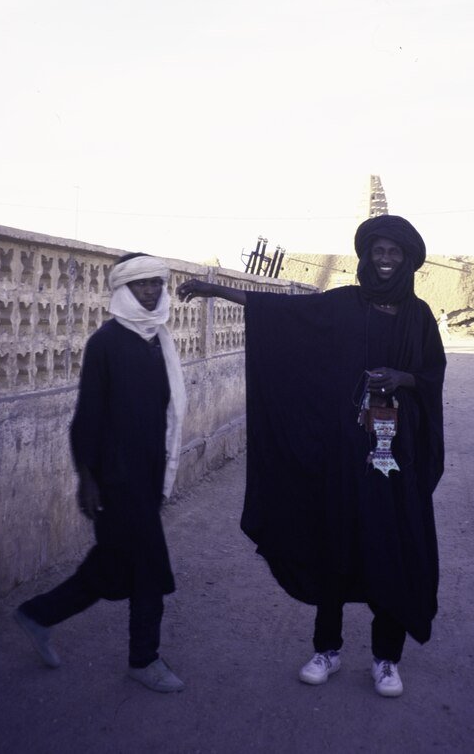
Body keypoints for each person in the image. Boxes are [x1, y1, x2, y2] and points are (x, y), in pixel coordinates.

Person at [178, 215, 445, 698]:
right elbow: (285, 314)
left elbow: (432, 376)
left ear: (406, 260)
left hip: (391, 457)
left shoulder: (419, 317)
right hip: (343, 455)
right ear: (366, 256)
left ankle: (386, 659)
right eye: (378, 252)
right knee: (335, 545)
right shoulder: (343, 305)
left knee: (391, 549)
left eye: (394, 253)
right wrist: (216, 293)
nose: (385, 260)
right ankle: (327, 649)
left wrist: (403, 379)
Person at [14, 253, 187, 693]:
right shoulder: (106, 342)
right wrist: (86, 478)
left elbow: (163, 413)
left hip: (147, 473)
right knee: (148, 567)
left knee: (112, 566)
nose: (150, 292)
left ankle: (38, 614)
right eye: (140, 285)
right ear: (122, 290)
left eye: (155, 283)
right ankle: (144, 660)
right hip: (116, 476)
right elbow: (87, 414)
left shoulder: (158, 340)